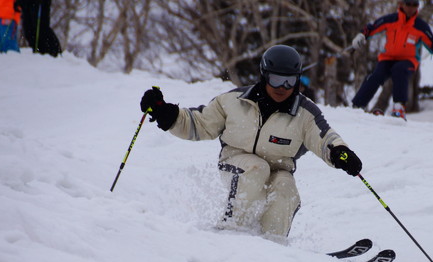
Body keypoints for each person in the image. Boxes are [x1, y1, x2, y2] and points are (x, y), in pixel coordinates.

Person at [139, 45, 362, 241]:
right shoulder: (233, 101)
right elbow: (199, 123)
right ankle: (232, 232)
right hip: (236, 161)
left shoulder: (304, 113)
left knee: (286, 189)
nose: (282, 87)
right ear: (264, 76)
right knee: (257, 168)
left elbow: (325, 138)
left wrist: (340, 153)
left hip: (279, 169)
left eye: (290, 80)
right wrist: (166, 114)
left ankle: (272, 246)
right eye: (276, 79)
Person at [350, 0, 433, 120]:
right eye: (408, 4)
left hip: (408, 60)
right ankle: (357, 106)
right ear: (402, 4)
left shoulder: (420, 26)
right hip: (388, 58)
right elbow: (372, 27)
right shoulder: (391, 19)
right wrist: (362, 35)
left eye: (414, 5)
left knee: (399, 70)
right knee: (376, 75)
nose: (411, 8)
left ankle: (399, 108)